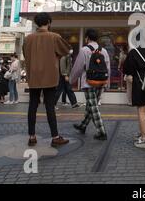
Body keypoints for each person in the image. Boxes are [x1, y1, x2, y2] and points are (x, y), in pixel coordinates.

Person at [23, 12, 71, 147]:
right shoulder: (54, 37)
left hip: (33, 76)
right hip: (50, 75)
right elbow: (66, 50)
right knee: (50, 106)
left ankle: (32, 136)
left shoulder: (28, 39)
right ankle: (55, 136)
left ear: (36, 23)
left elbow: (26, 55)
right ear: (49, 22)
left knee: (32, 105)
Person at [70, 29, 109, 141]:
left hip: (88, 82)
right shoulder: (104, 51)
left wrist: (72, 80)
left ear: (87, 38)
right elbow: (108, 68)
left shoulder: (84, 50)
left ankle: (101, 132)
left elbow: (78, 67)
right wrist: (107, 82)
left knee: (93, 106)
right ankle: (83, 126)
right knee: (91, 105)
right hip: (101, 82)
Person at [123, 44, 145, 149]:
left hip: (139, 83)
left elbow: (127, 69)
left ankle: (144, 139)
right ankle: (142, 133)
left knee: (141, 111)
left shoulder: (133, 52)